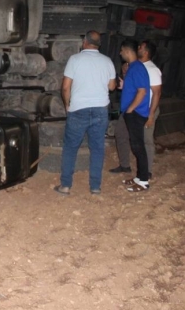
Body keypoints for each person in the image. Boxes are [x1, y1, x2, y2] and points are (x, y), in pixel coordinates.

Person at [55, 30, 116, 196]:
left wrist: (67, 105)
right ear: (99, 44)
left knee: (70, 148)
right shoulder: (107, 61)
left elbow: (66, 87)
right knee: (97, 149)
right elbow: (111, 86)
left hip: (79, 109)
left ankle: (66, 186)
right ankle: (95, 187)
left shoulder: (75, 60)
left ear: (84, 42)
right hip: (100, 110)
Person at [109, 40, 162, 178]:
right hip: (130, 109)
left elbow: (155, 93)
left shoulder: (152, 69)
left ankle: (146, 172)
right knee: (121, 133)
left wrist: (150, 114)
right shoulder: (134, 66)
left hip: (142, 109)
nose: (138, 47)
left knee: (144, 141)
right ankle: (125, 165)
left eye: (141, 47)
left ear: (146, 52)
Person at [118, 40, 151, 192]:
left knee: (138, 147)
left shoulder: (137, 67)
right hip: (133, 113)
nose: (120, 53)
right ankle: (139, 177)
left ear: (127, 50)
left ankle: (144, 181)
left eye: (121, 50)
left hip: (136, 113)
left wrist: (130, 109)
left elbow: (142, 91)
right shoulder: (133, 67)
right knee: (136, 145)